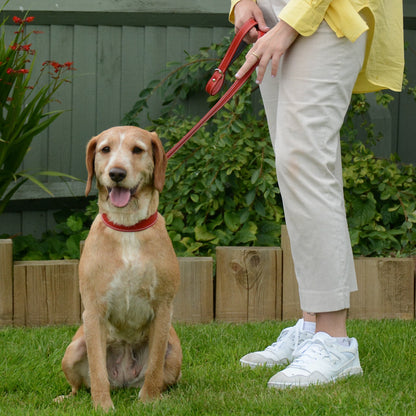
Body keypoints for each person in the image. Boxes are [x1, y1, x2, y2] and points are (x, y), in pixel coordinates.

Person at [231, 0, 404, 389]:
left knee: (304, 162)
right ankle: (312, 326)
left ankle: (334, 338)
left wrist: (292, 23)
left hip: (326, 12)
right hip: (273, 14)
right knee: (296, 168)